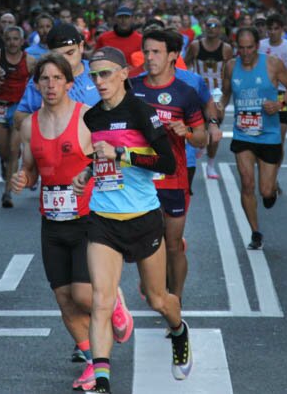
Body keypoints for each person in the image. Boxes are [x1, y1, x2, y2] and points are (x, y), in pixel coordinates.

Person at [72, 47, 191, 393]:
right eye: (94, 75)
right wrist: (87, 171)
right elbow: (101, 160)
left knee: (157, 300)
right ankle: (103, 380)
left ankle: (179, 330)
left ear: (124, 73)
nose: (99, 81)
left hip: (142, 217)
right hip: (103, 219)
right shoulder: (92, 118)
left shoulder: (143, 112)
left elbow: (167, 164)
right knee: (101, 300)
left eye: (106, 73)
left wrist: (123, 153)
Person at [11, 53, 98, 391]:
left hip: (87, 218)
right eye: (44, 79)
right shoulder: (28, 125)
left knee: (84, 296)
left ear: (69, 84)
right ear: (37, 85)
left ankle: (113, 302)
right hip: (52, 221)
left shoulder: (86, 117)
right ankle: (93, 360)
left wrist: (89, 175)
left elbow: (108, 162)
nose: (50, 85)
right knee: (63, 298)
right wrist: (23, 178)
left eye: (56, 79)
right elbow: (30, 169)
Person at [132, 29, 208, 302]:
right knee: (146, 244)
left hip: (172, 178)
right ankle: (153, 284)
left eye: (156, 52)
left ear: (173, 56)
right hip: (139, 178)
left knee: (173, 245)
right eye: (147, 51)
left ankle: (175, 299)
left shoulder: (184, 93)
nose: (149, 58)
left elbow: (202, 138)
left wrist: (186, 130)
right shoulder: (133, 87)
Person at [222, 26, 287, 250]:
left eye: (249, 48)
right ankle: (255, 232)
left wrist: (280, 104)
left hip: (269, 133)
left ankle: (271, 190)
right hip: (243, 132)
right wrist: (214, 115)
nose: (245, 53)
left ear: (257, 46)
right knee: (246, 183)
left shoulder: (272, 64)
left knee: (265, 191)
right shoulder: (230, 66)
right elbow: (224, 93)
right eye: (240, 48)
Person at [183, 15, 232, 179]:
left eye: (215, 25)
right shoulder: (196, 46)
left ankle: (210, 164)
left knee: (215, 132)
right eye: (209, 25)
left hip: (217, 93)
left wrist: (224, 101)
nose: (212, 28)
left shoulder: (226, 49)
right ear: (204, 27)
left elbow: (229, 74)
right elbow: (184, 64)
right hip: (198, 92)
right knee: (198, 127)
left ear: (220, 29)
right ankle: (200, 144)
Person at [0, 25, 33, 209]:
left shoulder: (29, 60)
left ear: (22, 41)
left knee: (14, 151)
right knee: (4, 152)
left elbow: (36, 83)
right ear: (4, 40)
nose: (12, 43)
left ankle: (7, 193)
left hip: (18, 109)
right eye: (9, 39)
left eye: (16, 39)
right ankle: (4, 164)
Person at [259, 14, 287, 157]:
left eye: (276, 29)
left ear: (282, 29)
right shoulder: (260, 45)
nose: (272, 32)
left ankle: (274, 176)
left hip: (282, 94)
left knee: (279, 140)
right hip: (263, 94)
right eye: (270, 29)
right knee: (261, 138)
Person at [94, 7, 143, 73]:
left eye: (127, 17)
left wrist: (134, 68)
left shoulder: (140, 39)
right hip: (110, 77)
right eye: (120, 17)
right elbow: (95, 59)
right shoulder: (104, 38)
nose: (123, 20)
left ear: (132, 19)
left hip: (134, 78)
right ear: (115, 19)